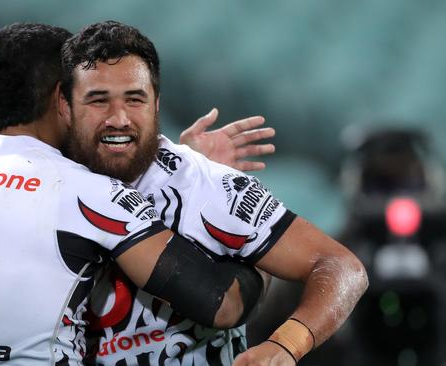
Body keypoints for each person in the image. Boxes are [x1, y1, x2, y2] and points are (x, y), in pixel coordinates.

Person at [0, 23, 266, 365]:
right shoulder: (77, 188)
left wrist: (183, 161)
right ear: (62, 98)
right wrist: (248, 238)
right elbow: (224, 304)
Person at [58, 21, 369, 366]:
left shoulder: (204, 184)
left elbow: (343, 267)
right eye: (98, 100)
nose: (119, 118)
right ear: (66, 107)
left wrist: (285, 346)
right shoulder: (38, 180)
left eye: (135, 99)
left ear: (156, 104)